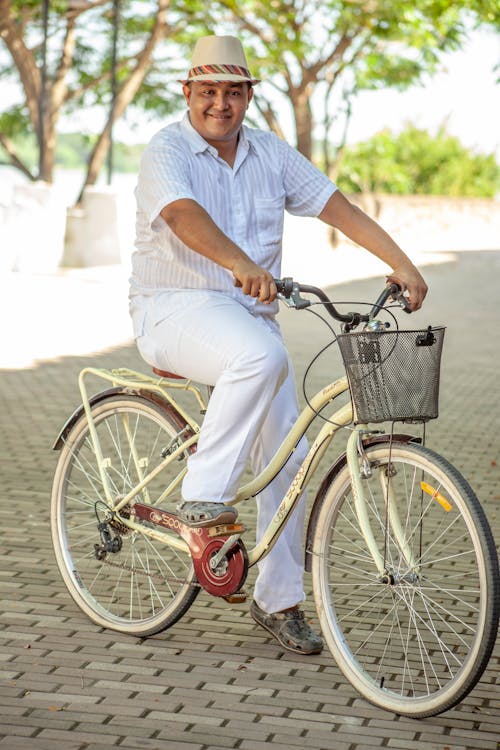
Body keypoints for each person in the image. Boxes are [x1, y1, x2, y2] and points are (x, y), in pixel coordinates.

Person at [130, 35, 428, 655]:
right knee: (261, 356)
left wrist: (402, 264)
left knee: (289, 461)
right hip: (174, 306)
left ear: (247, 98)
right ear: (187, 94)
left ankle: (280, 600)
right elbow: (183, 215)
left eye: (232, 92)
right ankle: (202, 502)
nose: (220, 103)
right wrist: (240, 262)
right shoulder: (167, 149)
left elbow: (335, 206)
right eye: (207, 91)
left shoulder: (268, 151)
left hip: (246, 316)